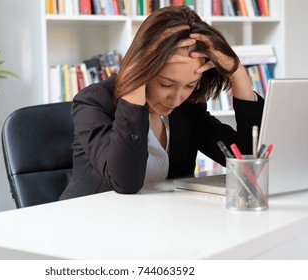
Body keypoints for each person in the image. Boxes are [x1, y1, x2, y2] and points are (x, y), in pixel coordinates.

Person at [59, 5, 264, 200]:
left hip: (156, 224)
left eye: (190, 86)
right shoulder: (93, 102)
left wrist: (237, 73)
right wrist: (136, 79)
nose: (176, 99)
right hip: (89, 223)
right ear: (144, 68)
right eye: (166, 84)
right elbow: (125, 182)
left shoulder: (187, 108)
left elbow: (248, 159)